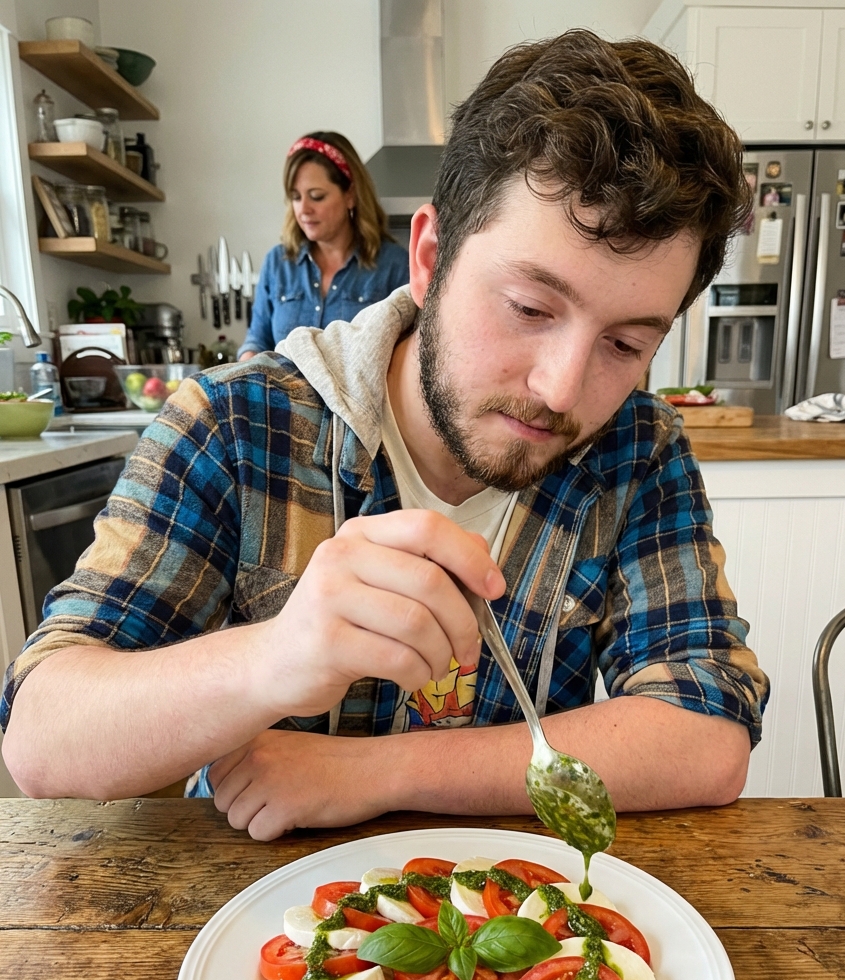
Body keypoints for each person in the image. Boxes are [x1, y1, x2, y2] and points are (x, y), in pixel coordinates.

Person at [2, 31, 769, 840]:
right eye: (530, 309)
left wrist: (378, 773)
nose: (560, 390)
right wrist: (273, 662)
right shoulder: (232, 424)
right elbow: (44, 740)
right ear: (430, 257)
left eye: (625, 345)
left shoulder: (638, 450)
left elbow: (707, 734)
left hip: (512, 930)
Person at [237, 131, 408, 359]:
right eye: (296, 197)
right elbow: (257, 340)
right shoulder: (278, 263)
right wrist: (247, 368)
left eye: (316, 196)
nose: (303, 209)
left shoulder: (395, 266)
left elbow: (409, 354)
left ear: (350, 195)